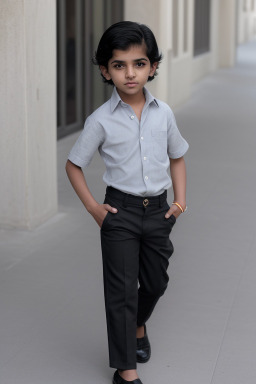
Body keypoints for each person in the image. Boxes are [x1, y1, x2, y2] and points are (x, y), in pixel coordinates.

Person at [66, 21, 189, 384]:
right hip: (119, 212)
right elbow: (74, 165)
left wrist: (180, 203)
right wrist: (94, 208)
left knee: (155, 283)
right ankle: (126, 371)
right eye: (119, 65)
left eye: (139, 63)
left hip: (160, 211)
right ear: (106, 70)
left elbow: (177, 155)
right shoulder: (100, 121)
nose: (130, 73)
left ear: (152, 67)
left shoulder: (163, 113)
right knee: (120, 292)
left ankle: (138, 324)